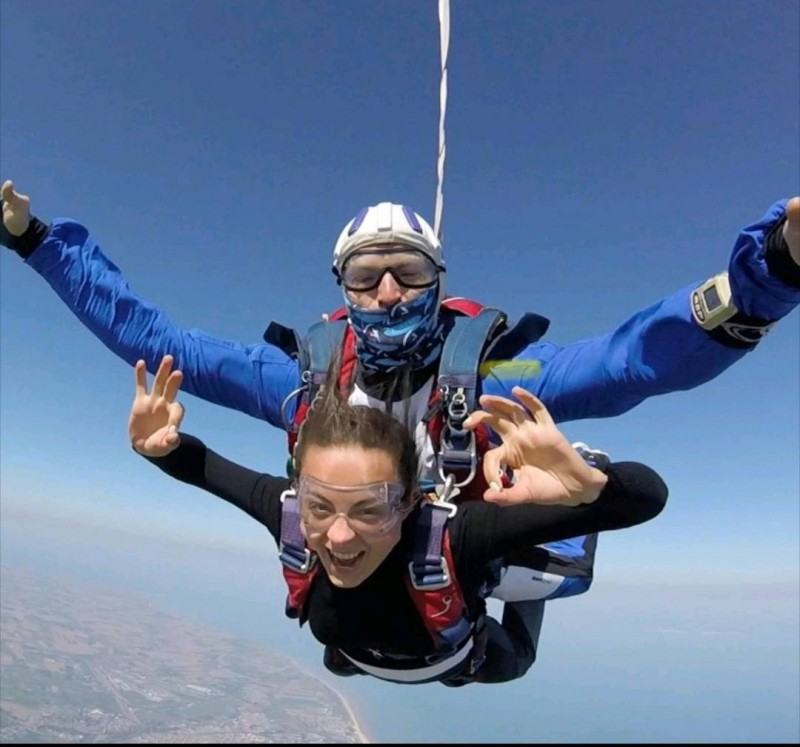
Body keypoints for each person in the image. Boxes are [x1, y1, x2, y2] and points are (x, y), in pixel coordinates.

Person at [1, 184, 799, 662]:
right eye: (366, 273)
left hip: (461, 555)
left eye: (408, 271)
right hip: (359, 569)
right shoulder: (298, 381)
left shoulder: (493, 375)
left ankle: (543, 529)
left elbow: (631, 360)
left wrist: (770, 272)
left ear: (436, 280)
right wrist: (35, 242)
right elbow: (159, 342)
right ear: (341, 287)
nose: (387, 290)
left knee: (512, 645)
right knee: (344, 641)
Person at [129, 354, 669, 686]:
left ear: (410, 501)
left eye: (369, 508)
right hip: (383, 652)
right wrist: (159, 449)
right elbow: (203, 469)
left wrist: (589, 487)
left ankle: (530, 562)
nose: (338, 536)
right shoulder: (290, 513)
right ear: (300, 492)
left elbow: (644, 499)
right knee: (341, 655)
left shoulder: (455, 535)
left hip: (460, 656)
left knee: (517, 650)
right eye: (319, 505)